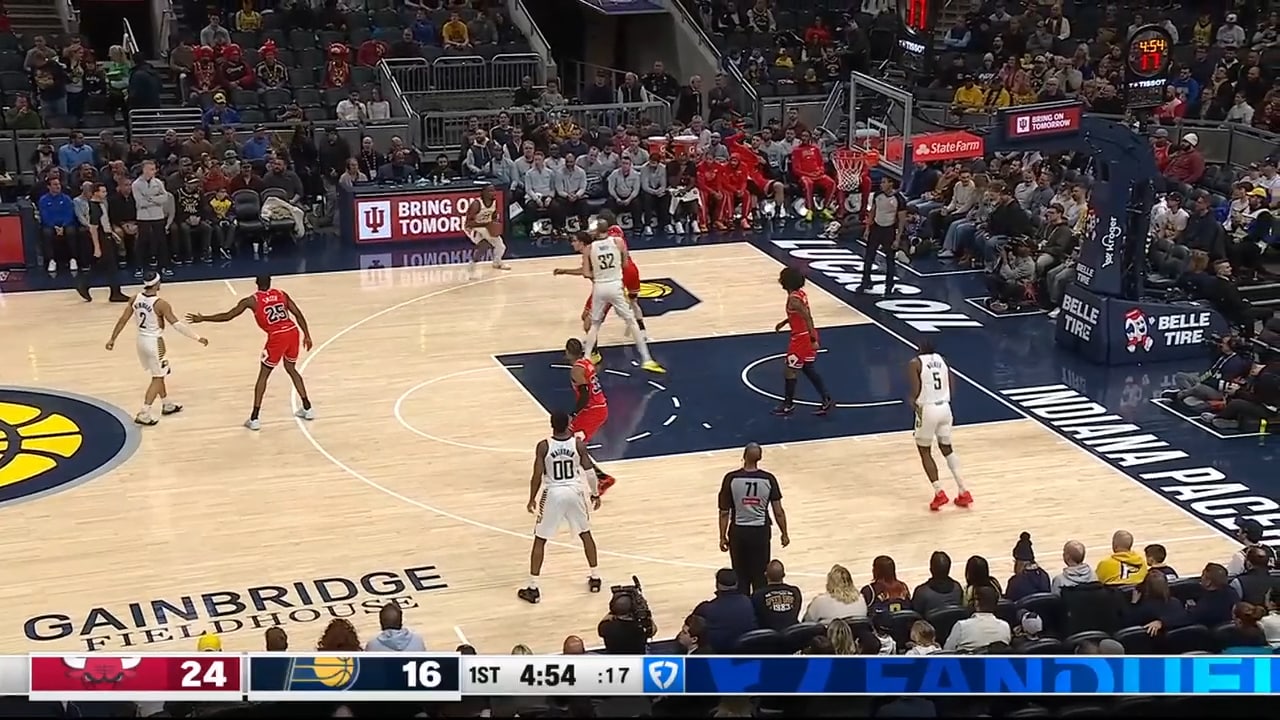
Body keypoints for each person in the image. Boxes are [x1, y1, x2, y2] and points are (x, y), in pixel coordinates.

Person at [184, 274, 315, 431]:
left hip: (277, 337)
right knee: (291, 369)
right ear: (270, 282)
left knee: (263, 376)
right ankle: (308, 408)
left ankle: (254, 418)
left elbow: (228, 316)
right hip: (293, 332)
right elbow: (298, 314)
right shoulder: (281, 294)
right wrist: (307, 335)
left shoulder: (252, 301)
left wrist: (203, 318)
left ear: (256, 283)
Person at [553, 223, 665, 374]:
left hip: (600, 287)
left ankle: (587, 358)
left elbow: (586, 273)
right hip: (615, 285)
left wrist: (597, 274)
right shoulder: (617, 242)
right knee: (630, 321)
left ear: (596, 232)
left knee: (593, 324)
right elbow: (625, 263)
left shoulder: (590, 249)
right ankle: (647, 359)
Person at [518, 409, 602, 604]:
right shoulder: (578, 444)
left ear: (551, 425)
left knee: (540, 539)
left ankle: (533, 588)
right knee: (586, 534)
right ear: (569, 424)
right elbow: (590, 472)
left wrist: (532, 498)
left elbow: (537, 475)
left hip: (553, 492)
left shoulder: (544, 446)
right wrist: (595, 493)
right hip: (575, 491)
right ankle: (595, 577)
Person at [104, 270, 209, 425]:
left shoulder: (134, 299)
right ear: (157, 284)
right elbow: (177, 325)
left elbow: (123, 320)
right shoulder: (161, 304)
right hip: (155, 343)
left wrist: (112, 339)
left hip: (141, 341)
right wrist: (197, 337)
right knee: (158, 377)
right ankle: (144, 412)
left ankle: (167, 404)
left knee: (159, 373)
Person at [718, 442, 790, 595]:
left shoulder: (731, 478)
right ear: (760, 457)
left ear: (744, 456)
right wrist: (784, 533)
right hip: (760, 532)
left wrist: (722, 536)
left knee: (740, 574)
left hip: (738, 532)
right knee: (760, 575)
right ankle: (759, 603)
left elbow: (724, 512)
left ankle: (743, 603)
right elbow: (778, 511)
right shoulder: (769, 479)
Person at [908, 339, 971, 511]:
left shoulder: (915, 363)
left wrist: (913, 401)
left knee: (924, 450)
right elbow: (952, 386)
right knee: (947, 448)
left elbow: (916, 391)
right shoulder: (943, 360)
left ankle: (939, 493)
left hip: (928, 409)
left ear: (919, 347)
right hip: (945, 408)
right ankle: (963, 490)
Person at [772, 267, 833, 416]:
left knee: (790, 370)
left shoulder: (793, 299)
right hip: (805, 335)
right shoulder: (800, 294)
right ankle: (827, 399)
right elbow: (799, 315)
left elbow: (808, 317)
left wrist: (812, 340)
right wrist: (785, 322)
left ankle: (788, 404)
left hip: (802, 338)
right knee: (807, 368)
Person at [562, 337, 619, 495]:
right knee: (570, 441)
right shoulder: (586, 363)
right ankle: (585, 475)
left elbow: (585, 395)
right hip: (598, 406)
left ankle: (601, 478)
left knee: (573, 444)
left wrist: (573, 414)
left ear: (567, 352)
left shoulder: (576, 369)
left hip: (592, 409)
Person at [578, 214, 647, 341]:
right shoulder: (617, 232)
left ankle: (591, 342)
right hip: (631, 269)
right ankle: (642, 331)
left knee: (595, 312)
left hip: (613, 276)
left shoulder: (596, 245)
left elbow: (587, 271)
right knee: (633, 301)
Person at [76, 182, 127, 302]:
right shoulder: (94, 207)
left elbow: (105, 222)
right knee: (111, 266)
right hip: (101, 237)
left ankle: (85, 285)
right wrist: (97, 247)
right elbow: (93, 228)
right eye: (103, 191)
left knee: (102, 265)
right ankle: (115, 293)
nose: (105, 193)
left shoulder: (101, 204)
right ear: (95, 193)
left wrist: (112, 233)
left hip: (106, 235)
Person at [856, 176, 908, 296]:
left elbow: (901, 220)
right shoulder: (877, 195)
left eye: (884, 182)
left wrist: (897, 238)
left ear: (891, 184)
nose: (881, 184)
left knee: (890, 260)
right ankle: (865, 281)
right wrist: (867, 229)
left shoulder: (899, 199)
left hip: (889, 231)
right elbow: (872, 212)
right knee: (868, 257)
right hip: (876, 228)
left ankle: (889, 285)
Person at [462, 184, 510, 279]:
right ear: (483, 193)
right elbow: (468, 222)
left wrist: (494, 224)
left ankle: (497, 263)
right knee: (484, 245)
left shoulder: (494, 202)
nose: (493, 193)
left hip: (485, 226)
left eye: (493, 191)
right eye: (490, 191)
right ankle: (471, 267)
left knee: (501, 246)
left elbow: (494, 216)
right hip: (473, 227)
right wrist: (486, 225)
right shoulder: (476, 204)